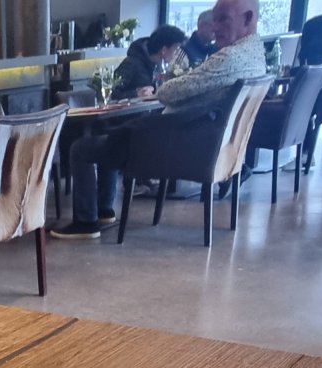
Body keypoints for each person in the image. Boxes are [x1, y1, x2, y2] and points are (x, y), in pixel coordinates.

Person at [53, 0, 268, 238]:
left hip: (178, 144)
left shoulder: (230, 58)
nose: (215, 27)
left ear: (248, 18)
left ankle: (86, 223)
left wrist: (165, 88)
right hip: (206, 144)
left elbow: (167, 92)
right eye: (214, 20)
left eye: (223, 19)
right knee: (108, 141)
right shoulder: (255, 57)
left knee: (81, 148)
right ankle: (104, 210)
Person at [114, 26, 189, 100]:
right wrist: (135, 94)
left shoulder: (159, 65)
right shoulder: (131, 64)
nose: (177, 53)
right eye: (176, 49)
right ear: (164, 50)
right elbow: (112, 92)